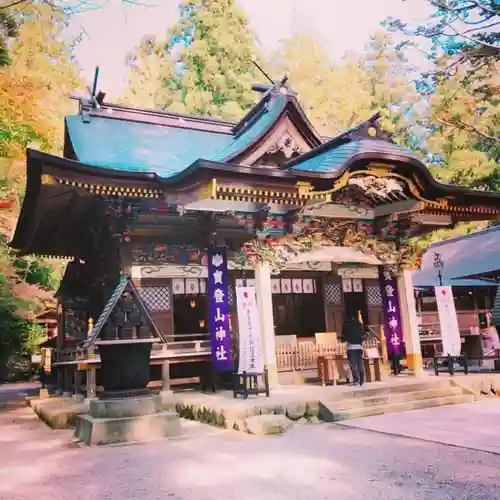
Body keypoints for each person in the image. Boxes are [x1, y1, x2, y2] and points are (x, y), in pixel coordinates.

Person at [341, 314, 366, 387]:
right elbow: (363, 335)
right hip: (359, 347)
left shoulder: (346, 325)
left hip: (351, 347)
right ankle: (361, 380)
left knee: (353, 364)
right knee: (360, 363)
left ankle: (356, 380)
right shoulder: (359, 324)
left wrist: (343, 340)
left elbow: (343, 337)